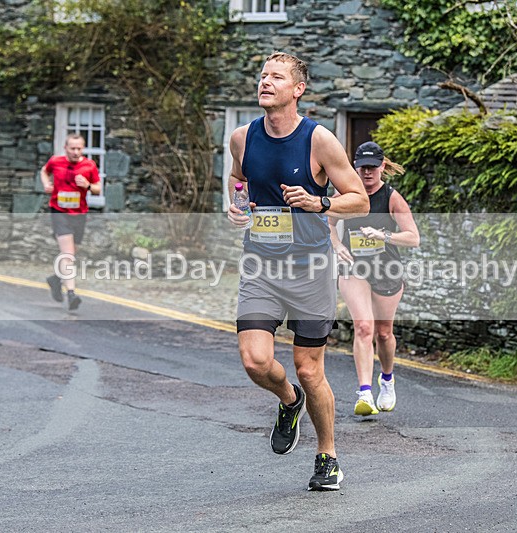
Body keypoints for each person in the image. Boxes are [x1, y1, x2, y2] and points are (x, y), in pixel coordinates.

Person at [227, 51, 368, 491]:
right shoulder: (242, 137)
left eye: (276, 77)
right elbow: (237, 178)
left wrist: (318, 202)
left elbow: (359, 199)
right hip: (261, 265)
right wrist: (237, 204)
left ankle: (328, 456)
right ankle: (290, 402)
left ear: (298, 89)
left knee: (309, 369)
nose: (265, 82)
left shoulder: (318, 140)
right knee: (255, 360)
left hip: (310, 269)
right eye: (263, 75)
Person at [329, 141, 419, 417]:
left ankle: (387, 379)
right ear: (355, 168)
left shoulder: (391, 197)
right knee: (364, 327)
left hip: (386, 269)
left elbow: (413, 237)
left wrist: (384, 235)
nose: (367, 173)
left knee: (383, 332)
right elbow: (327, 222)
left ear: (382, 166)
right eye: (362, 167)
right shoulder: (346, 194)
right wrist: (337, 245)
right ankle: (365, 392)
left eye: (372, 167)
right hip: (354, 268)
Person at [40, 133, 101, 311]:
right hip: (59, 212)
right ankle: (71, 293)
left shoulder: (89, 165)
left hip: (79, 214)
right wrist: (46, 184)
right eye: (72, 148)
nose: (75, 152)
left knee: (72, 253)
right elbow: (44, 171)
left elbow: (98, 189)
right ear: (65, 148)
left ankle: (55, 279)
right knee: (68, 255)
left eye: (79, 148)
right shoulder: (55, 161)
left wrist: (87, 185)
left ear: (83, 149)